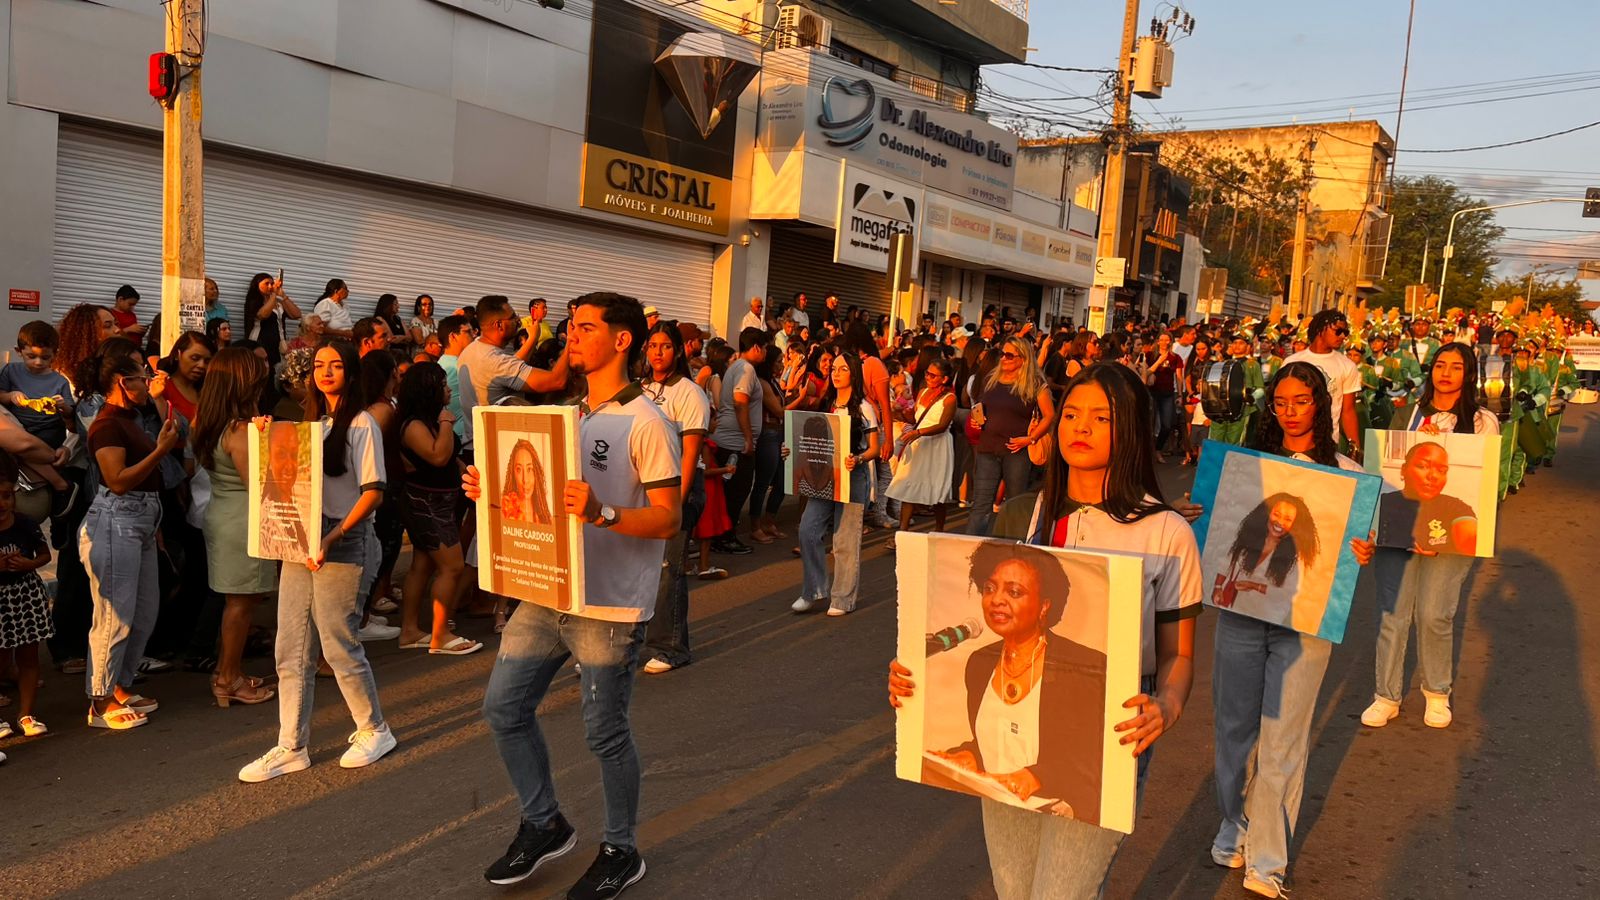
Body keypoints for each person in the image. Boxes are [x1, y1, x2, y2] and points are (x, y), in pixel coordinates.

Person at [890, 362, 1202, 900]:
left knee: (1062, 894)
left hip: (1106, 735)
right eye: (1072, 414)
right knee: (1014, 891)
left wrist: (1167, 706)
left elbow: (1179, 654)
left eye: (1100, 418)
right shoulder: (1033, 515)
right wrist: (912, 676)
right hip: (1006, 733)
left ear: (1129, 429)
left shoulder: (1167, 533)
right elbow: (985, 628)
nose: (1079, 427)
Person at [471, 292, 681, 898]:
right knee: (503, 709)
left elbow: (667, 519)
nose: (572, 335)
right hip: (546, 589)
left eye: (586, 327)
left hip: (609, 605)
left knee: (604, 732)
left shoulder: (648, 422)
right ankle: (546, 824)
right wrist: (489, 490)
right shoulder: (567, 414)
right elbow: (535, 501)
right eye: (571, 326)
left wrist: (604, 512)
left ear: (622, 340)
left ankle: (622, 848)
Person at [1209, 361, 1375, 898]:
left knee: (1284, 740)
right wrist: (1200, 515)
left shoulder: (1346, 473)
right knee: (1234, 730)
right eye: (1280, 401)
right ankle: (1234, 824)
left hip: (1305, 624)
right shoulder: (1249, 468)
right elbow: (1216, 525)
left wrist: (1361, 551)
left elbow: (1356, 546)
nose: (1289, 411)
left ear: (1319, 404)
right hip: (1240, 617)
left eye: (1300, 400)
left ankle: (1267, 860)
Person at [238, 341, 396, 783]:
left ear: (351, 372)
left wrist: (334, 534)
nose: (326, 372)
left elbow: (374, 491)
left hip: (343, 539)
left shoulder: (362, 423)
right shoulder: (310, 421)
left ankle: (374, 728)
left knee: (337, 644)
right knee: (290, 648)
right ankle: (291, 745)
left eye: (336, 365)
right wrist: (268, 434)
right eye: (320, 366)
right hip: (300, 538)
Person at [1363, 342, 1499, 731]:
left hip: (1451, 529)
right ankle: (1385, 695)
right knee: (1393, 613)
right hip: (1399, 527)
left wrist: (1448, 533)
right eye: (1440, 365)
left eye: (1456, 367)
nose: (1446, 373)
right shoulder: (1406, 414)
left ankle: (1437, 692)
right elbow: (1385, 469)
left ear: (1468, 375)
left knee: (1435, 613)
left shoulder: (1481, 421)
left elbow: (1484, 482)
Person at [929, 542, 1108, 819]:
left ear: (1044, 606)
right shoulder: (979, 663)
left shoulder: (1085, 666)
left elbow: (1094, 756)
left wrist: (1035, 777)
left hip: (1073, 816)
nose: (996, 600)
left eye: (1014, 592)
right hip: (1002, 806)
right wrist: (969, 757)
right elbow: (999, 741)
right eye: (990, 588)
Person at [80, 352, 182, 730]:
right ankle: (100, 700)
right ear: (123, 383)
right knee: (114, 616)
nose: (148, 383)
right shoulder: (106, 425)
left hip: (140, 521)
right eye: (141, 377)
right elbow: (118, 481)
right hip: (116, 520)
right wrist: (160, 450)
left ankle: (119, 685)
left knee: (143, 611)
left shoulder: (129, 419)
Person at [190, 347, 277, 707]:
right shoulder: (240, 430)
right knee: (241, 605)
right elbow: (260, 483)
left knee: (235, 601)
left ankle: (229, 672)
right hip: (244, 519)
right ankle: (229, 678)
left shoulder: (207, 422)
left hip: (223, 514)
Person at [392, 362, 478, 656]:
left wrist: (466, 470)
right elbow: (437, 456)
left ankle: (410, 630)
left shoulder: (426, 420)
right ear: (429, 390)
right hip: (425, 505)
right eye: (443, 385)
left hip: (439, 502)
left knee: (422, 565)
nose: (449, 389)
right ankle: (440, 634)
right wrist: (446, 424)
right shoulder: (415, 423)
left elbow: (449, 457)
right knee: (452, 566)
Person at [640, 321, 710, 673]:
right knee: (638, 567)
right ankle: (630, 645)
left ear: (678, 351)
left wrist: (677, 506)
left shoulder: (690, 393)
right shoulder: (639, 388)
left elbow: (689, 452)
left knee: (669, 568)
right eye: (652, 345)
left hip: (680, 487)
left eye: (665, 346)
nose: (657, 352)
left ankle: (671, 648)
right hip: (643, 489)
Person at [791, 351, 879, 617]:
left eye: (842, 369)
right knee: (808, 530)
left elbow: (874, 448)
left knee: (845, 540)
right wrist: (792, 452)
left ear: (853, 373)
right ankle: (814, 590)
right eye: (834, 369)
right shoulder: (827, 402)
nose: (836, 372)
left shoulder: (864, 407)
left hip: (853, 476)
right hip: (824, 476)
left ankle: (843, 598)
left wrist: (859, 458)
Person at [456, 295, 570, 454]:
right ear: (499, 325)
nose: (518, 321)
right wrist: (571, 342)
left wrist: (533, 339)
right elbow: (557, 381)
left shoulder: (473, 350)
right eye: (513, 317)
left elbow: (512, 366)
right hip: (493, 452)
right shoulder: (495, 361)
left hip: (474, 446)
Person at [966, 336, 1054, 537]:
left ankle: (1014, 547)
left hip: (1017, 451)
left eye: (1009, 355)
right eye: (1002, 354)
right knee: (981, 505)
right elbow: (980, 408)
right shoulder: (990, 379)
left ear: (1023, 359)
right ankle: (969, 549)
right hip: (987, 448)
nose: (1003, 359)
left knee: (1015, 503)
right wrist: (975, 419)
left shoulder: (1034, 383)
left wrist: (1030, 439)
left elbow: (1049, 416)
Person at [0, 452, 54, 739]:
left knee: (29, 656)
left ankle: (27, 713)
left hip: (25, 594)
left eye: (7, 496)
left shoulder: (24, 523)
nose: (2, 503)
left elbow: (44, 554)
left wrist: (29, 563)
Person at [708, 327, 770, 555]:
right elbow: (740, 402)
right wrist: (748, 438)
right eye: (764, 348)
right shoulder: (746, 369)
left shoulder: (735, 366)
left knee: (728, 493)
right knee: (736, 492)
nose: (764, 353)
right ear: (755, 348)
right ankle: (725, 537)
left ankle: (721, 535)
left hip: (729, 440)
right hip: (735, 443)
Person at [886, 356, 955, 545]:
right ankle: (902, 534)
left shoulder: (950, 399)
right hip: (919, 443)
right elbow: (916, 417)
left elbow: (942, 425)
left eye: (933, 375)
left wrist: (918, 432)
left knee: (937, 490)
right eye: (927, 374)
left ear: (945, 379)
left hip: (937, 446)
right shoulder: (923, 392)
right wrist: (900, 414)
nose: (929, 378)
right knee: (909, 484)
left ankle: (940, 529)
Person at [1212, 493, 1317, 612]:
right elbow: (1228, 561)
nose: (1280, 522)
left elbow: (1289, 594)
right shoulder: (1249, 538)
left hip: (1267, 618)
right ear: (1267, 514)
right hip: (1235, 609)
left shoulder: (1297, 558)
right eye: (1276, 514)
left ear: (1295, 525)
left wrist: (1254, 586)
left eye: (1288, 519)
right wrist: (1218, 586)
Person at [1285, 309, 1362, 456]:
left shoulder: (1347, 366)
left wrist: (1355, 448)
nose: (1343, 337)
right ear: (1321, 328)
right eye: (1338, 331)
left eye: (1346, 333)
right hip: (1291, 441)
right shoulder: (1292, 361)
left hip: (1326, 444)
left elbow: (1348, 411)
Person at [242, 272, 303, 368]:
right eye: (266, 284)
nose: (270, 286)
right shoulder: (254, 301)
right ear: (257, 285)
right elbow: (263, 315)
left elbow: (297, 314)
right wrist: (274, 294)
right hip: (261, 341)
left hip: (278, 344)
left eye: (272, 283)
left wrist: (283, 296)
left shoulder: (278, 302)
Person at [153, 332, 215, 424]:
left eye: (207, 361)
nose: (201, 365)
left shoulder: (209, 390)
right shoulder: (161, 388)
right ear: (178, 354)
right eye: (195, 358)